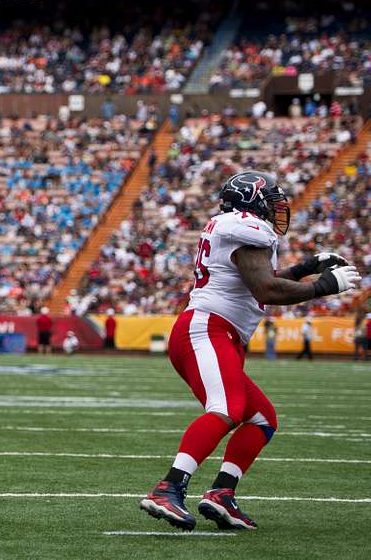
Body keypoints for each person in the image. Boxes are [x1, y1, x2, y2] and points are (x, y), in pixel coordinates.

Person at [140, 170, 359, 532]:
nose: (277, 212)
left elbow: (258, 277)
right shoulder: (245, 226)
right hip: (208, 328)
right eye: (271, 204)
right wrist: (321, 287)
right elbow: (266, 290)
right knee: (226, 409)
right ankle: (169, 487)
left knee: (262, 419)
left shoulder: (234, 227)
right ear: (252, 202)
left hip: (216, 332)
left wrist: (306, 268)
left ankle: (222, 493)